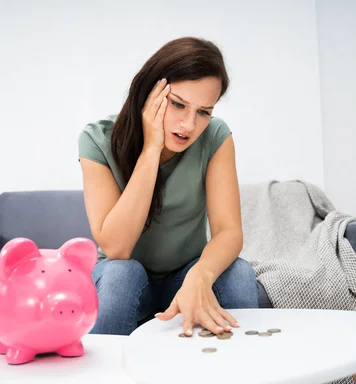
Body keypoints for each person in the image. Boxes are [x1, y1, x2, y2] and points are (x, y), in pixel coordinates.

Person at [77, 36, 258, 338]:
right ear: (150, 93)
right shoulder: (96, 139)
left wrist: (200, 275)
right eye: (178, 104)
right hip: (124, 277)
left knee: (238, 274)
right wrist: (151, 149)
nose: (189, 125)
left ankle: (242, 381)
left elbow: (229, 231)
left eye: (203, 112)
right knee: (122, 275)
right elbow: (117, 248)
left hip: (185, 276)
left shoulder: (216, 137)